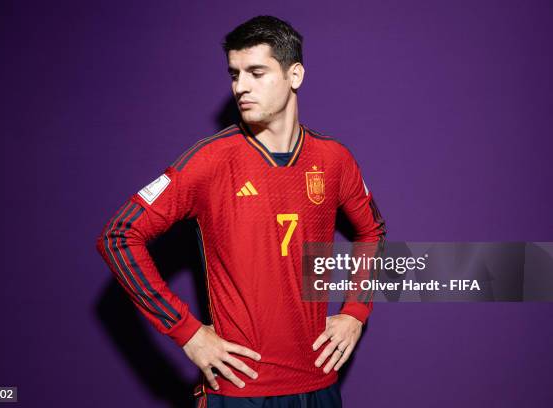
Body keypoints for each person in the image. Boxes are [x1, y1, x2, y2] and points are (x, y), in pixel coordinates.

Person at [96, 15, 386, 407]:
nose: (241, 87)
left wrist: (355, 312)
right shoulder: (210, 160)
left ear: (294, 75)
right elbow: (118, 236)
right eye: (235, 74)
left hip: (319, 385)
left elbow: (373, 232)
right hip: (241, 391)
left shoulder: (334, 160)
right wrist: (187, 331)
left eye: (256, 72)